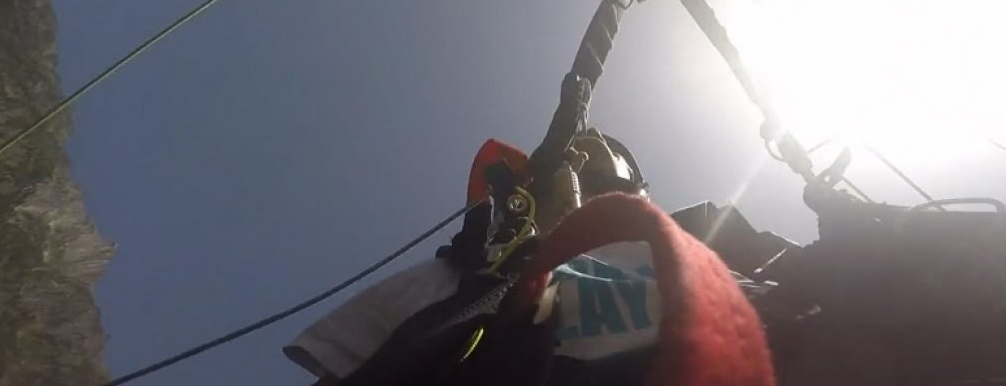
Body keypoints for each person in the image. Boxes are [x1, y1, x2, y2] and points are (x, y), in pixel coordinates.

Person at [283, 130, 773, 384]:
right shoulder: (459, 277)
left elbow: (821, 292)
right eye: (570, 154)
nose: (580, 162)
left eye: (595, 153)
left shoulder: (704, 237)